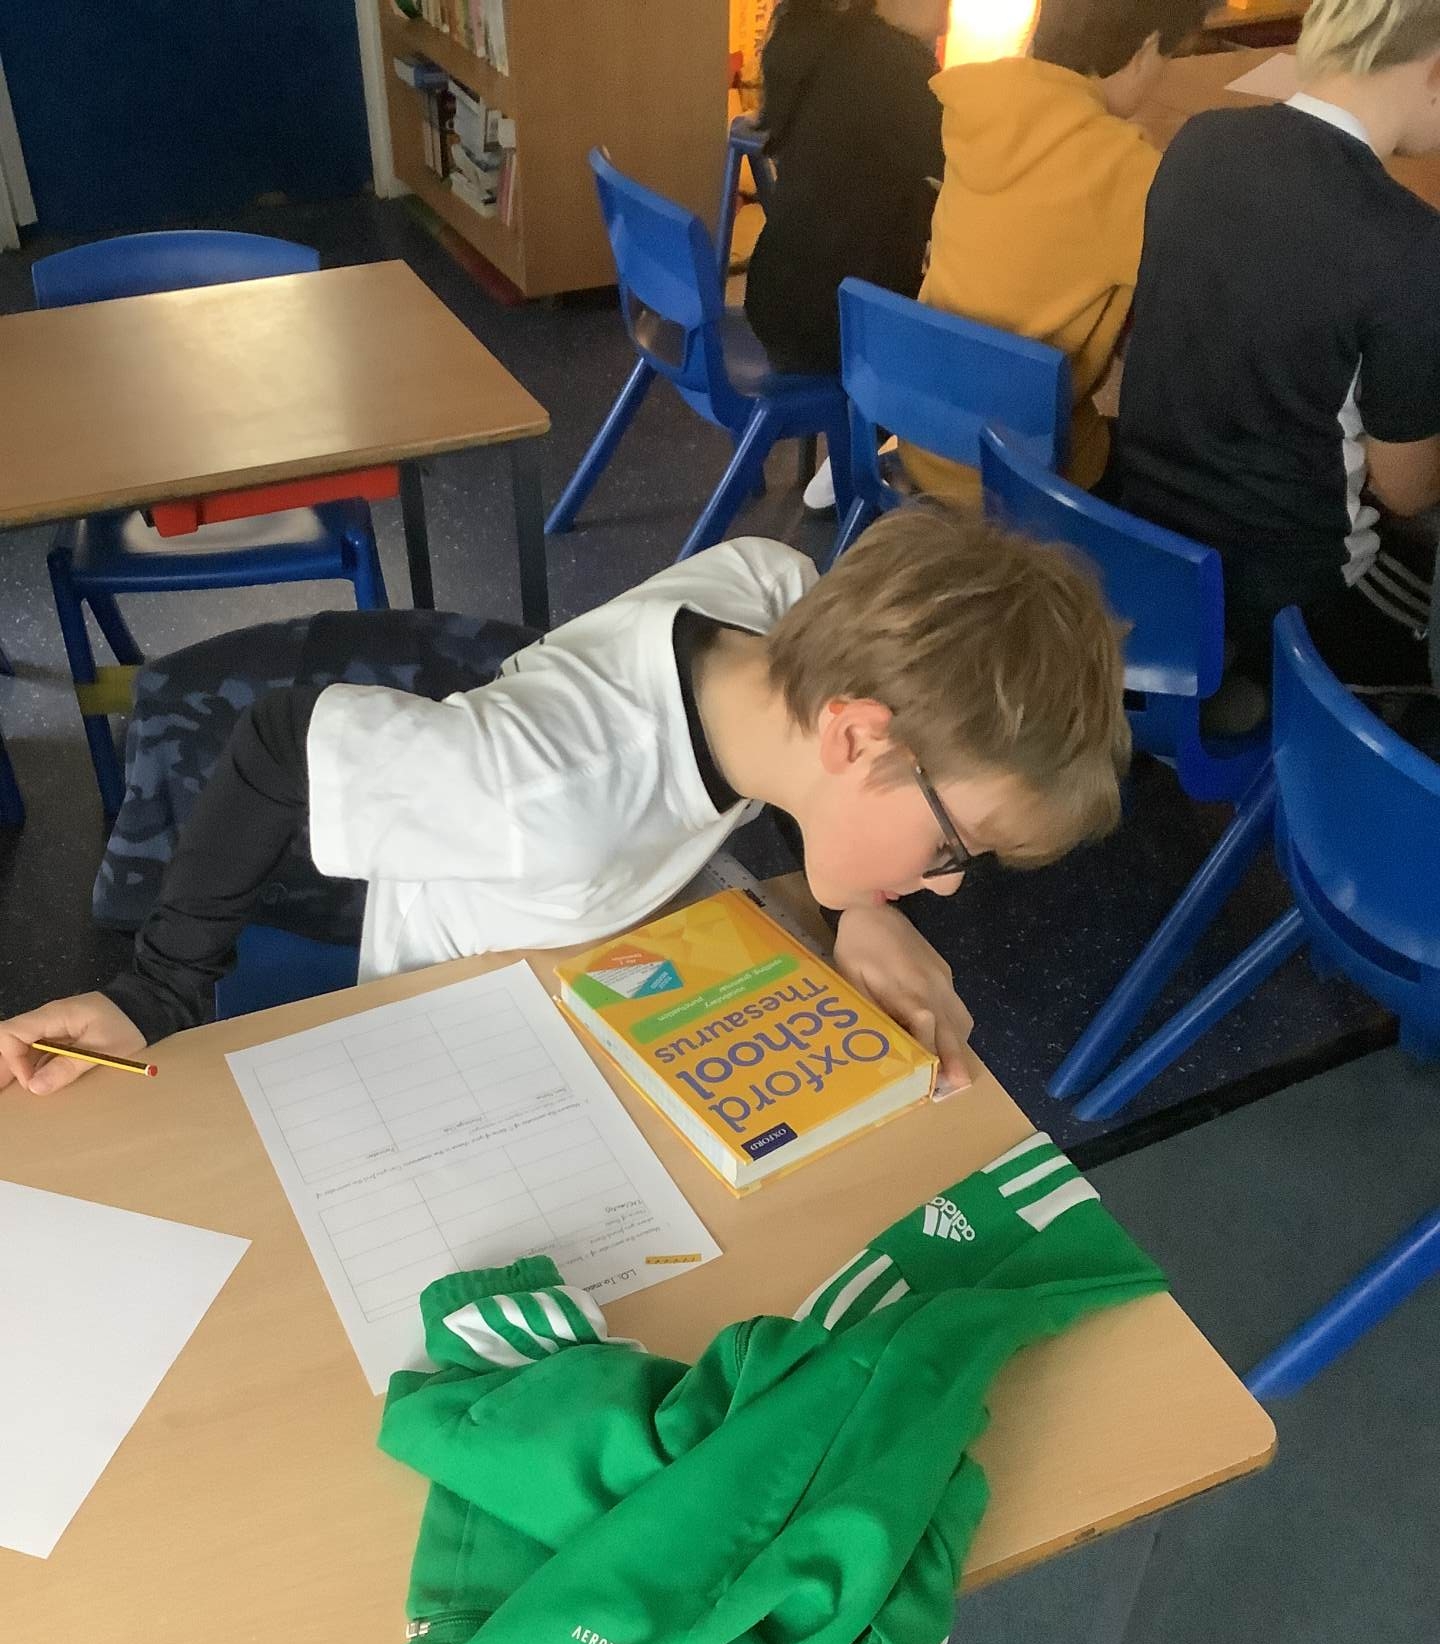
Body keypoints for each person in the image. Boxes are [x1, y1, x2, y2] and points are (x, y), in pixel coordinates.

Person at [0, 509, 1130, 1099]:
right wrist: (156, 992)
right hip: (449, 1027)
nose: (946, 886)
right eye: (954, 848)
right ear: (853, 737)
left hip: (590, 954)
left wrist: (865, 907)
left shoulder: (777, 592)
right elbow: (275, 744)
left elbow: (828, 733)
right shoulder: (548, 800)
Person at [1108, 0, 1440, 690]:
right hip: (1292, 598)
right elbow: (1406, 493)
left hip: (1151, 544)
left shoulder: (1198, 142)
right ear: (1435, 71)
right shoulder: (1410, 243)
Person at [901, 0, 1211, 506]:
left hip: (925, 436)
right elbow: (1200, 310)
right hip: (1027, 475)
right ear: (1147, 48)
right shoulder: (1125, 168)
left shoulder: (979, 112)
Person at [743, 0, 947, 378]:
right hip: (843, 323)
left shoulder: (804, 36)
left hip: (774, 300)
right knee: (986, 343)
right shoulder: (894, 64)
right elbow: (962, 166)